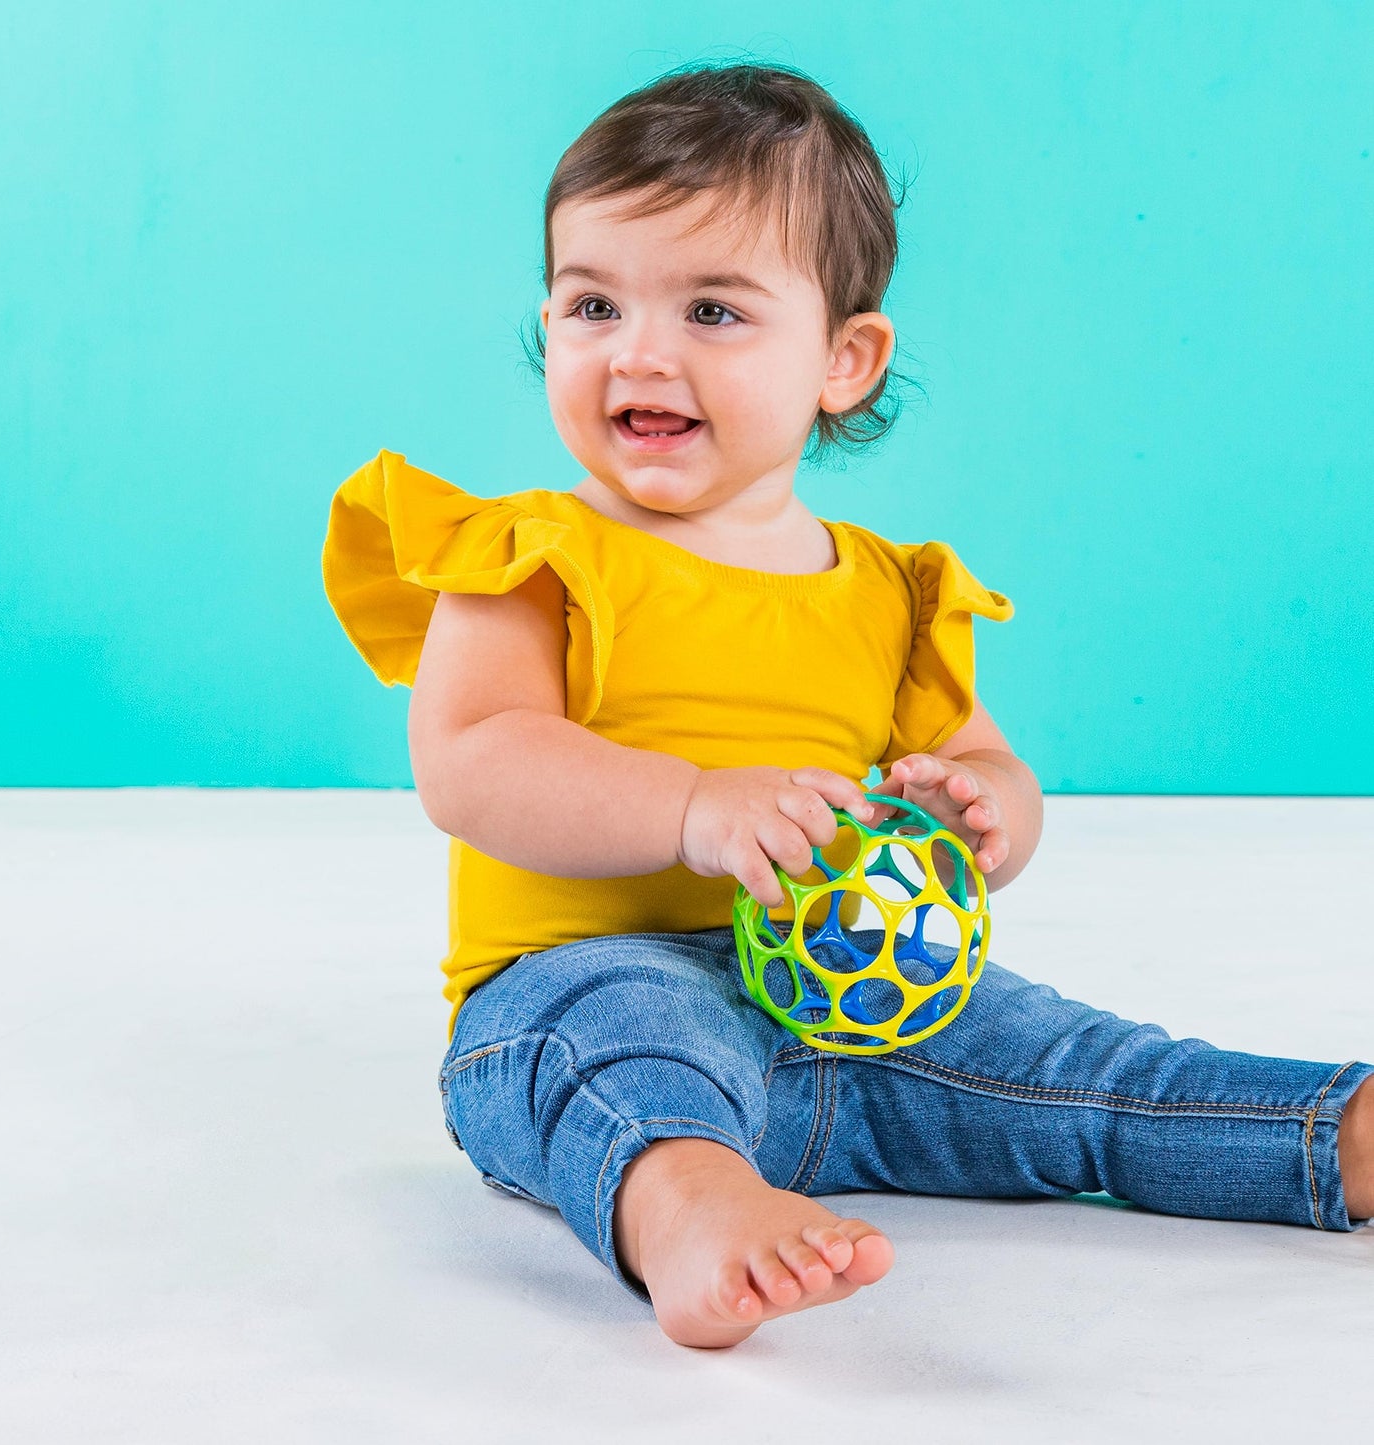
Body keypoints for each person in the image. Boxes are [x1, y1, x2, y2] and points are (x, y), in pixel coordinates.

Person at [322, 61, 1374, 1349]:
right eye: (594, 304)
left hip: (865, 1000)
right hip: (582, 981)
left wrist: (987, 813)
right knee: (621, 1060)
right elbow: (472, 761)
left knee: (1074, 1063)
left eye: (712, 310)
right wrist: (693, 808)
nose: (638, 352)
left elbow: (977, 764)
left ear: (843, 358)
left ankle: (1327, 1131)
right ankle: (692, 1211)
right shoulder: (529, 556)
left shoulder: (889, 591)